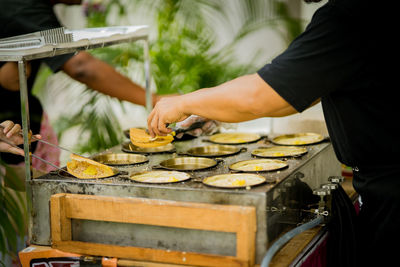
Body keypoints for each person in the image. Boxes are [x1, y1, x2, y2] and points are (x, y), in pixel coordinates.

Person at [148, 0, 397, 266]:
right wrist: (213, 107)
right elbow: (308, 85)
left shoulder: (350, 15)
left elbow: (264, 95)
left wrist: (185, 102)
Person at [0, 0, 162, 171]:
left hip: (22, 130)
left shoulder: (31, 8)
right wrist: (155, 100)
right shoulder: (21, 6)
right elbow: (80, 67)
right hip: (9, 141)